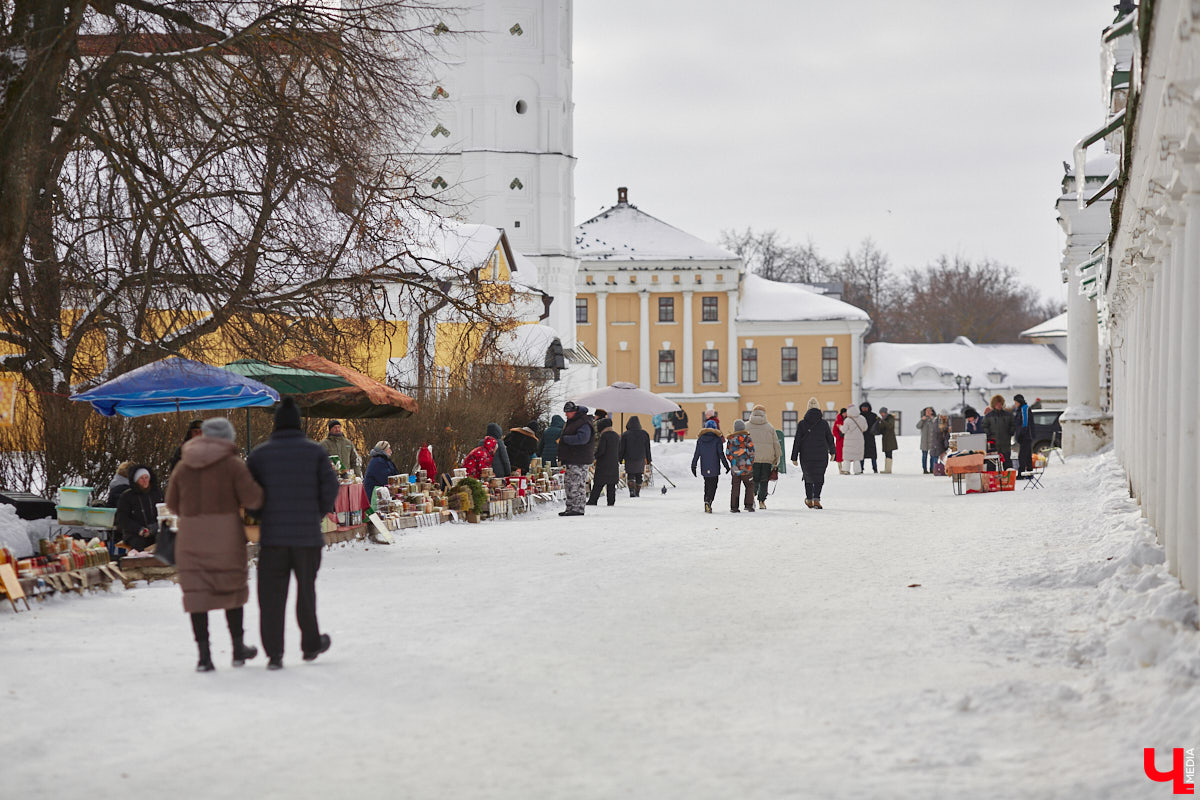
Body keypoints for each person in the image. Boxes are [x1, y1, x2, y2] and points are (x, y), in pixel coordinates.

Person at [166, 417, 265, 672]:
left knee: (198, 594)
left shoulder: (183, 467)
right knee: (231, 591)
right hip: (226, 539)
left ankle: (204, 657)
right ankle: (238, 650)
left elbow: (173, 505)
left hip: (191, 540)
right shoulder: (233, 466)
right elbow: (253, 498)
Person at [247, 397, 339, 670]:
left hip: (273, 538)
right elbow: (331, 486)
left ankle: (274, 654)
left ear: (276, 422)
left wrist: (263, 515)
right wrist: (316, 513)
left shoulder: (260, 455)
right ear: (299, 422)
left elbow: (249, 495)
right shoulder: (315, 452)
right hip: (307, 538)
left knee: (271, 597)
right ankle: (310, 644)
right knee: (306, 592)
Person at [791, 405, 836, 508]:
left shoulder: (802, 424)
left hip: (806, 455)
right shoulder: (824, 424)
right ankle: (816, 499)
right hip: (821, 455)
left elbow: (797, 440)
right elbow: (830, 438)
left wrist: (794, 457)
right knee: (819, 477)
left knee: (808, 477)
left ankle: (809, 499)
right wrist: (833, 452)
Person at [558, 401, 596, 517]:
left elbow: (582, 439)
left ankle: (577, 508)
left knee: (576, 484)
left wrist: (565, 439)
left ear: (574, 412)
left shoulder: (583, 423)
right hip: (573, 458)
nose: (566, 415)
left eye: (567, 412)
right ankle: (571, 507)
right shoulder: (576, 421)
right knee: (570, 484)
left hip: (578, 459)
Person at [115, 465, 162, 551]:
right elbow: (122, 518)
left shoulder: (157, 494)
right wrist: (139, 529)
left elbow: (164, 513)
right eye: (141, 478)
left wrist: (154, 528)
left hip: (155, 530)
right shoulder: (126, 496)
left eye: (146, 477)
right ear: (136, 481)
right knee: (138, 544)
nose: (145, 481)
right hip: (134, 533)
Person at [744, 404, 782, 508]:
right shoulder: (769, 427)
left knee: (754, 479)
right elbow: (776, 444)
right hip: (767, 458)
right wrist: (777, 457)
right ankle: (762, 502)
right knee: (764, 480)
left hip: (752, 458)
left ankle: (752, 496)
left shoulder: (746, 426)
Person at [691, 419, 729, 513]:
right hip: (714, 466)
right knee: (713, 485)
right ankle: (709, 501)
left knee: (707, 484)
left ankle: (706, 501)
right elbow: (721, 454)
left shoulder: (700, 439)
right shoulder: (717, 439)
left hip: (704, 466)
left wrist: (693, 465)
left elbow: (697, 454)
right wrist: (726, 466)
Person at [586, 418, 621, 507]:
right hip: (613, 464)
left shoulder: (604, 436)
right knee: (611, 485)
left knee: (598, 484)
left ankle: (592, 501)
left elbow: (601, 450)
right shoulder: (616, 436)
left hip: (603, 464)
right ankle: (611, 502)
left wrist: (595, 456)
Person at [724, 419, 755, 513]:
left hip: (735, 467)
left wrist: (732, 462)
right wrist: (750, 462)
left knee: (735, 487)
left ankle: (734, 507)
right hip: (747, 467)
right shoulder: (748, 438)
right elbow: (752, 452)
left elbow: (728, 453)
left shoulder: (730, 440)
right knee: (750, 485)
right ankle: (749, 505)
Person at [618, 416, 652, 497]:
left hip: (629, 458)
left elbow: (622, 448)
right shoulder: (644, 434)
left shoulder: (625, 434)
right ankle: (637, 492)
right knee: (639, 475)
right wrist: (649, 459)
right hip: (641, 458)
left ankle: (632, 491)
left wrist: (620, 458)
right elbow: (647, 448)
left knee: (630, 475)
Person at [364, 441, 400, 509]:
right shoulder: (378, 462)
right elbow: (385, 480)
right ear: (384, 450)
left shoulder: (384, 460)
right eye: (389, 448)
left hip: (381, 493)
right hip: (375, 495)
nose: (390, 451)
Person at [983, 394, 1014, 469]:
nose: (999, 406)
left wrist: (1011, 432)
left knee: (1007, 461)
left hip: (1005, 443)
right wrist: (989, 435)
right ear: (994, 405)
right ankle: (991, 478)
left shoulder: (1008, 415)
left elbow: (1013, 424)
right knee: (991, 463)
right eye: (997, 404)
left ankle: (1008, 477)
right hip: (993, 443)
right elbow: (984, 426)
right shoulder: (988, 416)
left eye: (1000, 404)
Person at [840, 405, 867, 475]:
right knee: (857, 457)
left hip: (849, 441)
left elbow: (844, 430)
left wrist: (840, 427)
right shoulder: (862, 418)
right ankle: (857, 470)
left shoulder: (847, 420)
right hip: (859, 440)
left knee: (847, 457)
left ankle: (846, 470)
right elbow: (865, 428)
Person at [1012, 394, 1034, 476]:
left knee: (1022, 455)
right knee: (1027, 455)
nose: (1015, 404)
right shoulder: (1019, 409)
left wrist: (1021, 433)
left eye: (1016, 402)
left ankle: (1021, 473)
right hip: (1024, 435)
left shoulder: (1024, 409)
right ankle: (1029, 472)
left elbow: (1025, 422)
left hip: (1025, 436)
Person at [858, 401, 879, 474]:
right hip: (862, 437)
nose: (864, 409)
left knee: (873, 455)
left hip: (870, 437)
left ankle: (875, 468)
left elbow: (877, 425)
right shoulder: (859, 416)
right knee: (861, 454)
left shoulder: (873, 416)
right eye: (863, 408)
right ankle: (861, 468)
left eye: (866, 408)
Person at [915, 406, 937, 474]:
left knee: (932, 456)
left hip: (932, 440)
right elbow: (918, 426)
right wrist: (922, 420)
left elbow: (937, 427)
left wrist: (932, 419)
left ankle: (932, 468)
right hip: (924, 441)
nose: (928, 412)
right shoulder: (923, 419)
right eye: (927, 411)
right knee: (924, 455)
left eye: (929, 411)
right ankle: (924, 469)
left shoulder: (934, 419)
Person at [879, 407, 898, 474]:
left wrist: (882, 422)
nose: (881, 414)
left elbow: (890, 426)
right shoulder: (884, 419)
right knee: (886, 453)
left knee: (889, 453)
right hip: (885, 439)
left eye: (882, 413)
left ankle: (888, 469)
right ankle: (887, 468)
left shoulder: (890, 418)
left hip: (890, 439)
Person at [833, 408, 847, 474]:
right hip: (840, 441)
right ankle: (840, 469)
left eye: (846, 413)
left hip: (847, 440)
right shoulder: (837, 421)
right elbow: (834, 431)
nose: (845, 414)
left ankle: (846, 469)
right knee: (839, 455)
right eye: (844, 413)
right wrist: (839, 436)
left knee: (846, 455)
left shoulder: (848, 420)